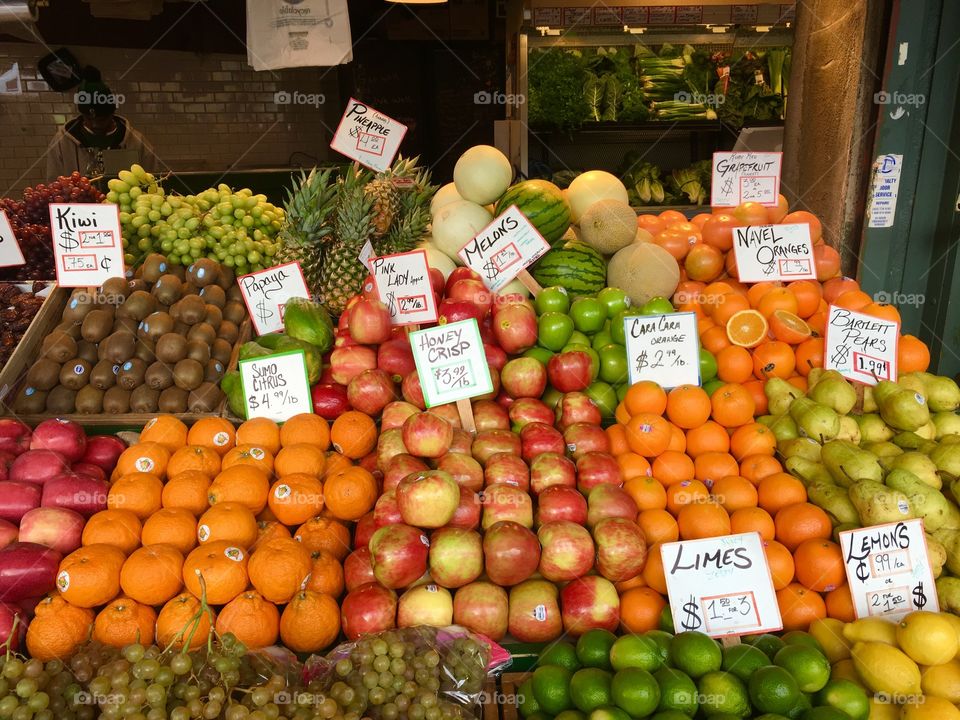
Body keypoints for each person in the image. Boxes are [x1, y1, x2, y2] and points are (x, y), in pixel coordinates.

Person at [46, 66, 159, 180]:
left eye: (101, 119)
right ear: (82, 115)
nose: (95, 125)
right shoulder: (62, 142)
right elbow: (53, 183)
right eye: (89, 119)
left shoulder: (136, 141)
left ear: (112, 113)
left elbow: (153, 180)